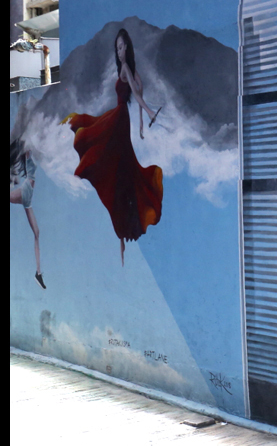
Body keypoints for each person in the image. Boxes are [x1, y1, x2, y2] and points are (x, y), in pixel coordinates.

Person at [61, 28, 164, 265]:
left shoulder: (127, 68)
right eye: (116, 48)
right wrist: (142, 122)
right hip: (121, 118)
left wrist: (147, 114)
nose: (118, 52)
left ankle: (122, 230)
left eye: (120, 47)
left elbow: (137, 96)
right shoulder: (132, 72)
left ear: (127, 47)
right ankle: (122, 231)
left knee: (111, 159)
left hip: (119, 119)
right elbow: (138, 93)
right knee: (121, 168)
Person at [9, 141, 44, 288]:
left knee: (37, 233)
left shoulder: (33, 154)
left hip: (28, 200)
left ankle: (38, 273)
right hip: (25, 190)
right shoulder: (28, 151)